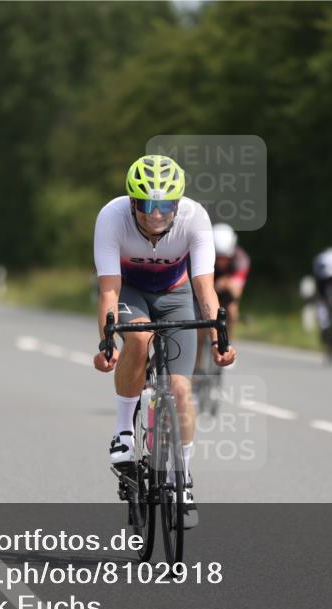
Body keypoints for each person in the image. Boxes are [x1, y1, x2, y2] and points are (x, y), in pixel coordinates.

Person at [93, 155, 236, 527]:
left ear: (178, 202)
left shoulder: (194, 217)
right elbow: (109, 291)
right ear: (132, 202)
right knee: (139, 339)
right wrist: (107, 343)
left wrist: (219, 339)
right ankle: (124, 432)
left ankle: (182, 479)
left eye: (166, 205)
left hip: (176, 293)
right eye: (147, 205)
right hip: (131, 292)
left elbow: (205, 288)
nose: (156, 214)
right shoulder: (112, 217)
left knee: (181, 390)